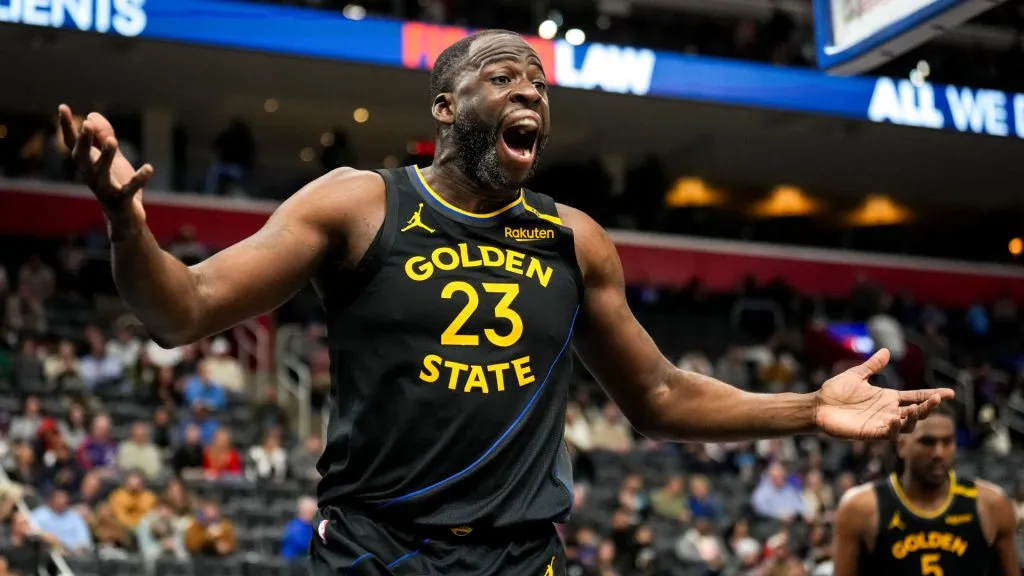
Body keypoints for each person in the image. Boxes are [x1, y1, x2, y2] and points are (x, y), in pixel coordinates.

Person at [58, 28, 952, 575]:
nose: (530, 90)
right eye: (503, 77)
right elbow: (183, 310)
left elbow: (662, 396)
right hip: (379, 550)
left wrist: (808, 408)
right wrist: (125, 224)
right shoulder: (358, 202)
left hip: (523, 558)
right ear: (447, 106)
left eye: (540, 85)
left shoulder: (573, 239)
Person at [832, 406, 1018, 576]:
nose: (939, 453)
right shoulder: (860, 508)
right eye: (927, 442)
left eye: (947, 442)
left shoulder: (992, 504)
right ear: (901, 446)